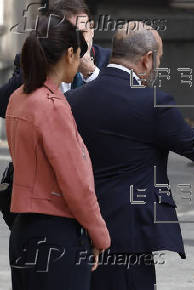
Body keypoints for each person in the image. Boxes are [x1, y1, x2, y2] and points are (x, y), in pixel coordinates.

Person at [65, 22, 194, 290]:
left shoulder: (75, 100)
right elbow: (193, 143)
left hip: (80, 227)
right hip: (131, 232)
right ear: (147, 59)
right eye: (160, 59)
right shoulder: (152, 102)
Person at [6, 15, 110, 290]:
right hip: (56, 233)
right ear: (69, 53)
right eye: (79, 55)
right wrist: (99, 234)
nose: (79, 64)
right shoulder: (53, 105)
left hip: (23, 230)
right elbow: (76, 182)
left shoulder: (19, 98)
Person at [0, 0, 111, 117]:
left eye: (82, 33)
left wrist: (91, 72)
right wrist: (40, 65)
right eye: (69, 35)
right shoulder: (33, 59)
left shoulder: (110, 59)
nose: (78, 42)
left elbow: (118, 107)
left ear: (92, 30)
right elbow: (3, 106)